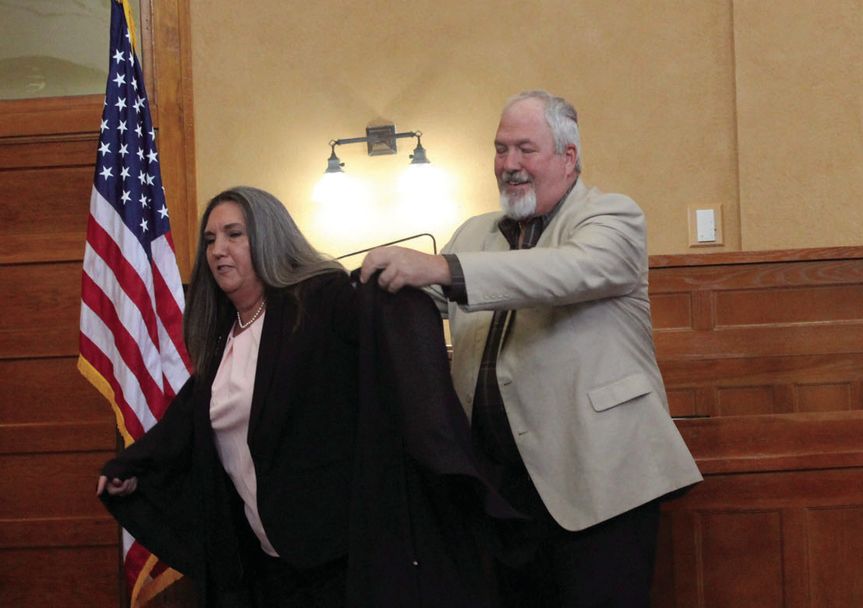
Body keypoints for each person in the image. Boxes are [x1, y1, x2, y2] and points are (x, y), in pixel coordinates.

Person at [361, 90, 702, 607]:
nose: (509, 165)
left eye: (526, 149)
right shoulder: (475, 233)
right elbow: (420, 302)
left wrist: (443, 268)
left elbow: (561, 271)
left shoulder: (612, 219)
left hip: (600, 482)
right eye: (500, 150)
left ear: (568, 158)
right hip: (502, 493)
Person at [97, 186, 358, 607]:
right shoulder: (224, 336)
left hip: (336, 556)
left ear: (268, 237)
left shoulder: (316, 306)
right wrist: (132, 466)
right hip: (264, 562)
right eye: (210, 239)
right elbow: (188, 418)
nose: (218, 250)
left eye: (234, 234)